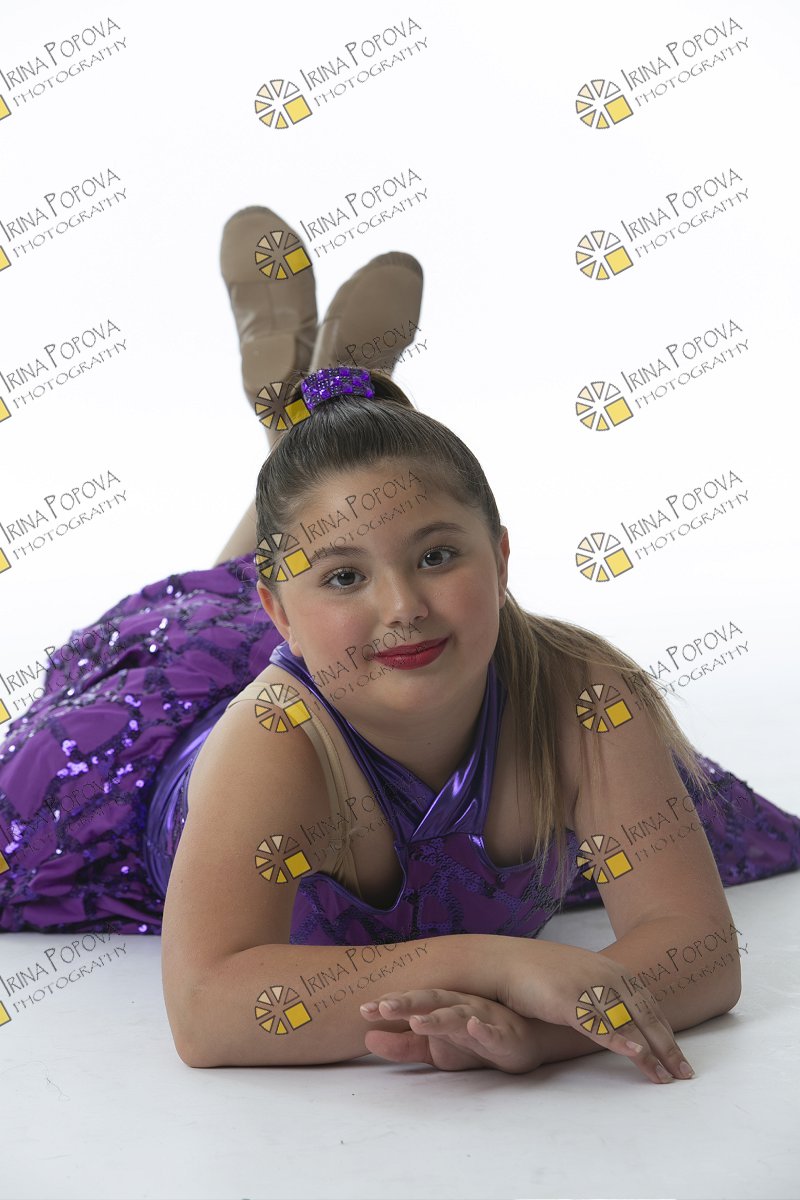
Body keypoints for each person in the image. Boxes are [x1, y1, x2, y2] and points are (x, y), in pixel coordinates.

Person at [1, 210, 797, 1083]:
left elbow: (699, 953)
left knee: (324, 556)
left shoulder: (585, 698)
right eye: (347, 575)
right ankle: (306, 429)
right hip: (163, 756)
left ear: (500, 558)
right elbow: (208, 1011)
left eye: (438, 556)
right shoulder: (271, 740)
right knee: (201, 618)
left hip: (330, 641)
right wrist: (497, 965)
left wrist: (535, 1035)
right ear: (277, 613)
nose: (405, 607)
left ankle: (320, 428)